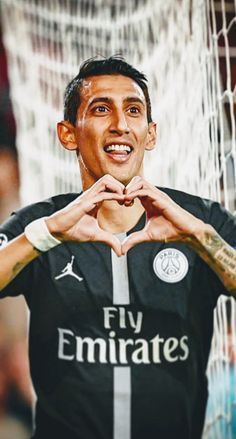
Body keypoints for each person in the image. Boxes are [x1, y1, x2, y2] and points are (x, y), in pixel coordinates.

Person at [0, 56, 235, 439]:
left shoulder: (199, 221)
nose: (121, 125)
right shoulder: (42, 224)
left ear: (151, 133)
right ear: (68, 134)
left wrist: (202, 241)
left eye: (133, 110)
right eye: (101, 109)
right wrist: (46, 236)